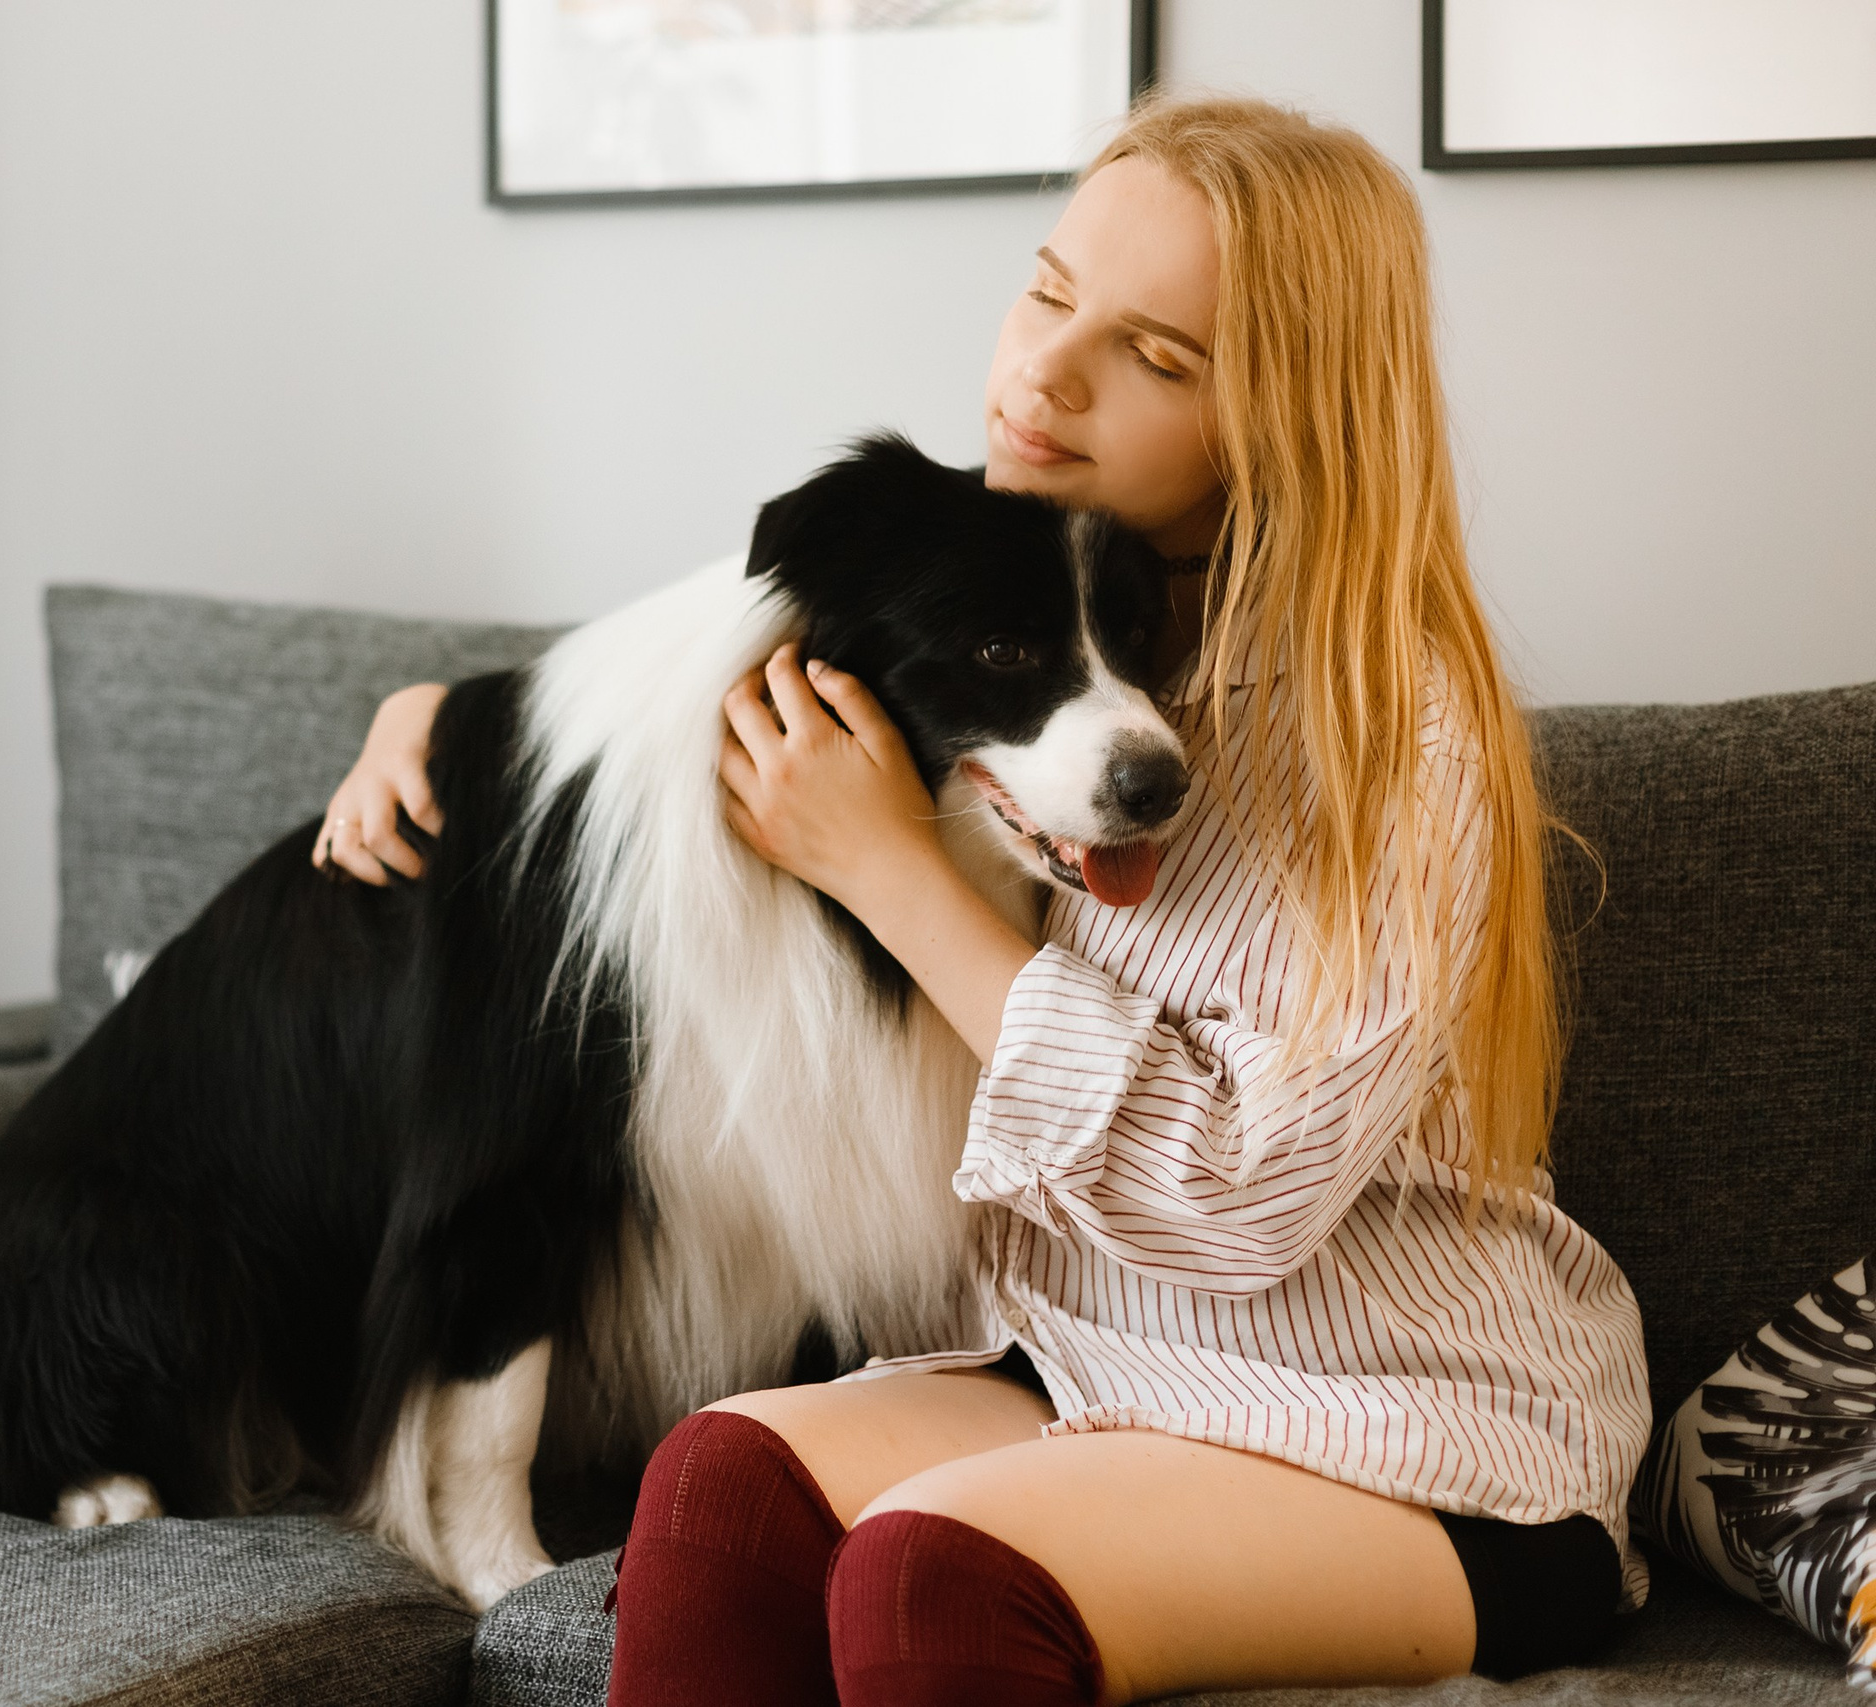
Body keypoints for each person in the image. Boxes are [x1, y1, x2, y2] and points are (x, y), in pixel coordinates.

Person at [313, 95, 1649, 1707]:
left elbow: (1234, 1199)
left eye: (1157, 358)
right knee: (720, 1495)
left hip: (1425, 1431)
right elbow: (696, 668)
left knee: (936, 1583)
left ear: (1286, 421)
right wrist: (449, 723)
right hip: (1094, 1370)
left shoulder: (1389, 728)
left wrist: (885, 872)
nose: (1042, 372)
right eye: (1045, 289)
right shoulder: (1038, 589)